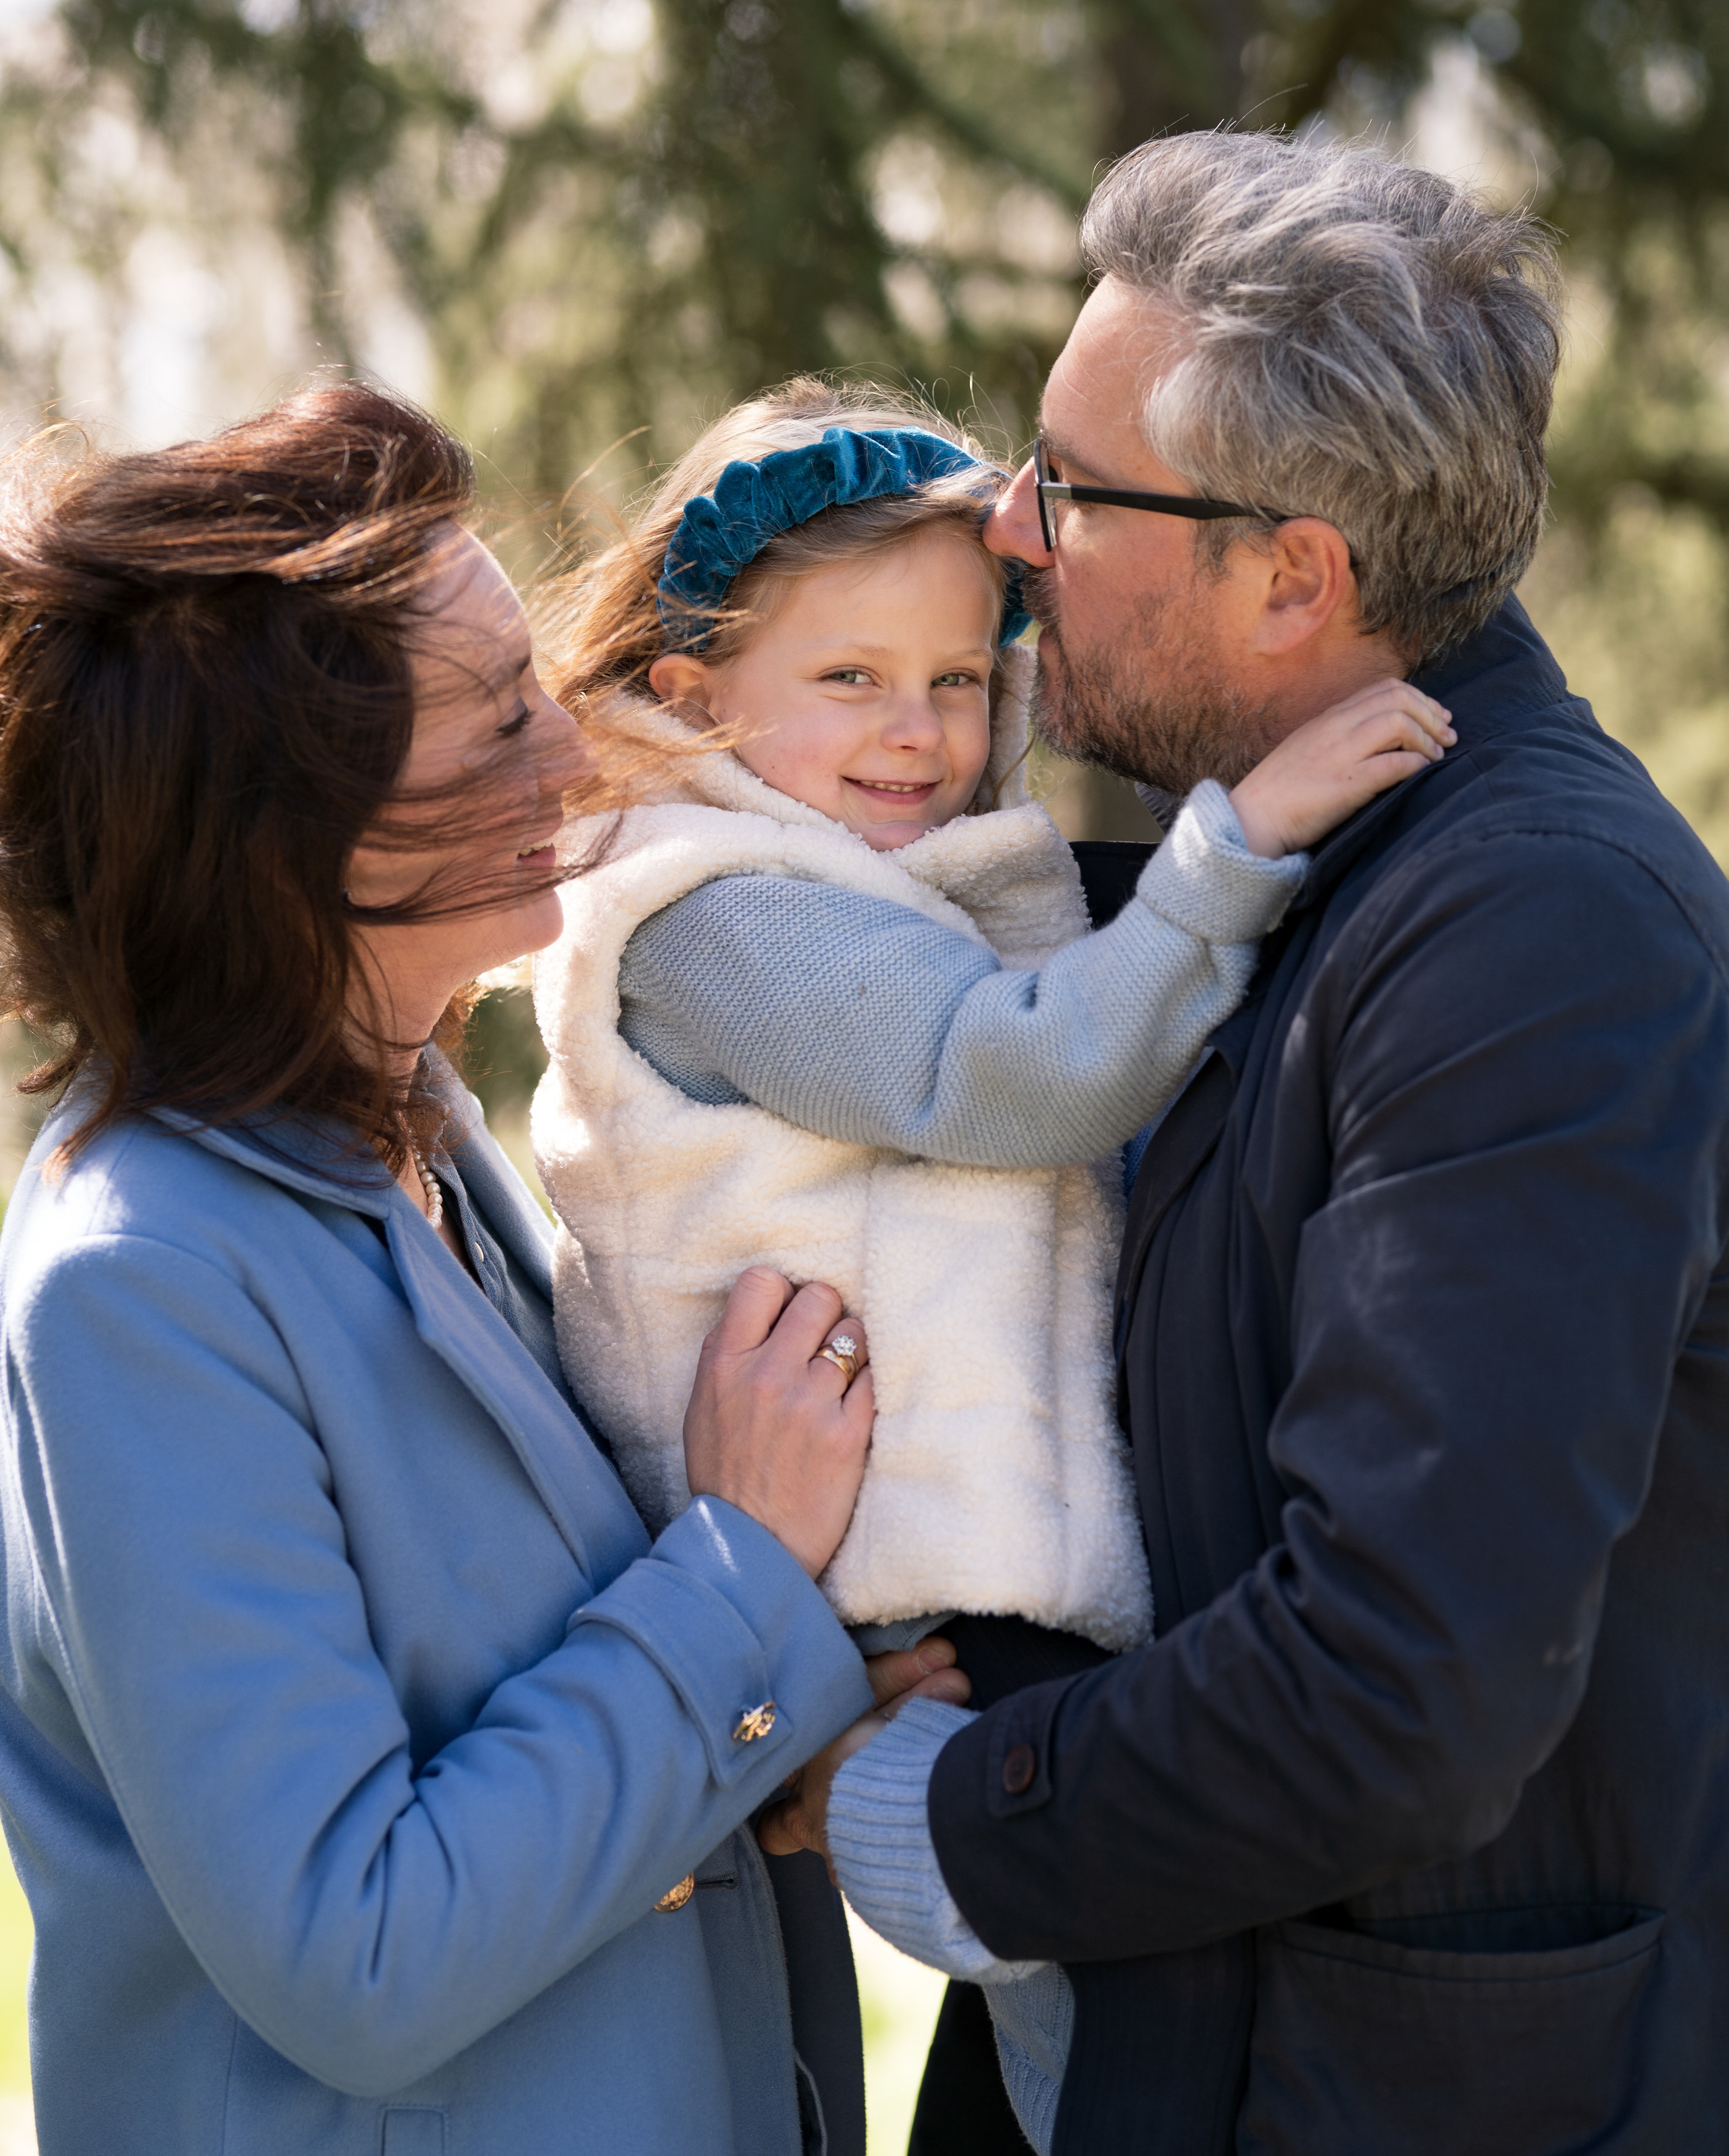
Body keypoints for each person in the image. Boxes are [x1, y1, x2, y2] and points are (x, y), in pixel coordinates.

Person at [763, 130, 1729, 2156]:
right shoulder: (1258, 855)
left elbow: (1403, 1674)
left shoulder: (1544, 932)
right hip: (1168, 2038)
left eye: (1075, 486)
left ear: (1296, 576)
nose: (1010, 529)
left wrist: (924, 1803)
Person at [0, 384, 962, 2156]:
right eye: (499, 724)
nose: (582, 759)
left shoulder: (421, 1128)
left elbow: (529, 1691)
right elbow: (357, 1950)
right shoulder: (136, 1286)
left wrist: (793, 1713)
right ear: (298, 845)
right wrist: (743, 1575)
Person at [531, 382, 1451, 1666]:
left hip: (955, 1568)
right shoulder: (709, 909)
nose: (916, 731)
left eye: (957, 677)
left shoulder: (869, 878)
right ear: (693, 699)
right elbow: (1007, 1071)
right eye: (850, 676)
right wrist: (1237, 840)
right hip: (869, 1595)